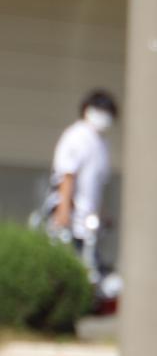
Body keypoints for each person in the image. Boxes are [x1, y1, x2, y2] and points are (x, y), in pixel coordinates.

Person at [42, 89, 116, 286]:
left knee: (90, 270)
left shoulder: (102, 143)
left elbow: (98, 185)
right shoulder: (77, 135)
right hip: (70, 218)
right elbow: (67, 175)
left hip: (87, 223)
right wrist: (63, 211)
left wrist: (103, 214)